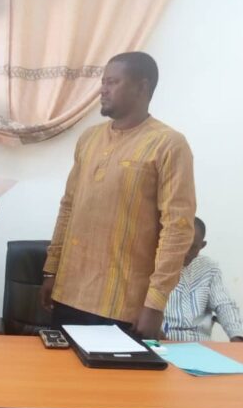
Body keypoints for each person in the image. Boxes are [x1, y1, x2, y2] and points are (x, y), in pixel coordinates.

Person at [39, 52, 196, 338]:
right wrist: (52, 270)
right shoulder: (89, 138)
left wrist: (155, 303)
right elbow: (68, 206)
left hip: (123, 305)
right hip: (68, 293)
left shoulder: (169, 145)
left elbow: (178, 228)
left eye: (112, 82)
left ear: (142, 87)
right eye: (103, 82)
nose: (103, 89)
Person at [162, 217, 243, 342]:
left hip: (201, 344)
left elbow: (224, 305)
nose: (186, 252)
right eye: (182, 245)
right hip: (162, 342)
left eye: (193, 247)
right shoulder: (153, 266)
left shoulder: (209, 268)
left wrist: (237, 337)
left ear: (202, 246)